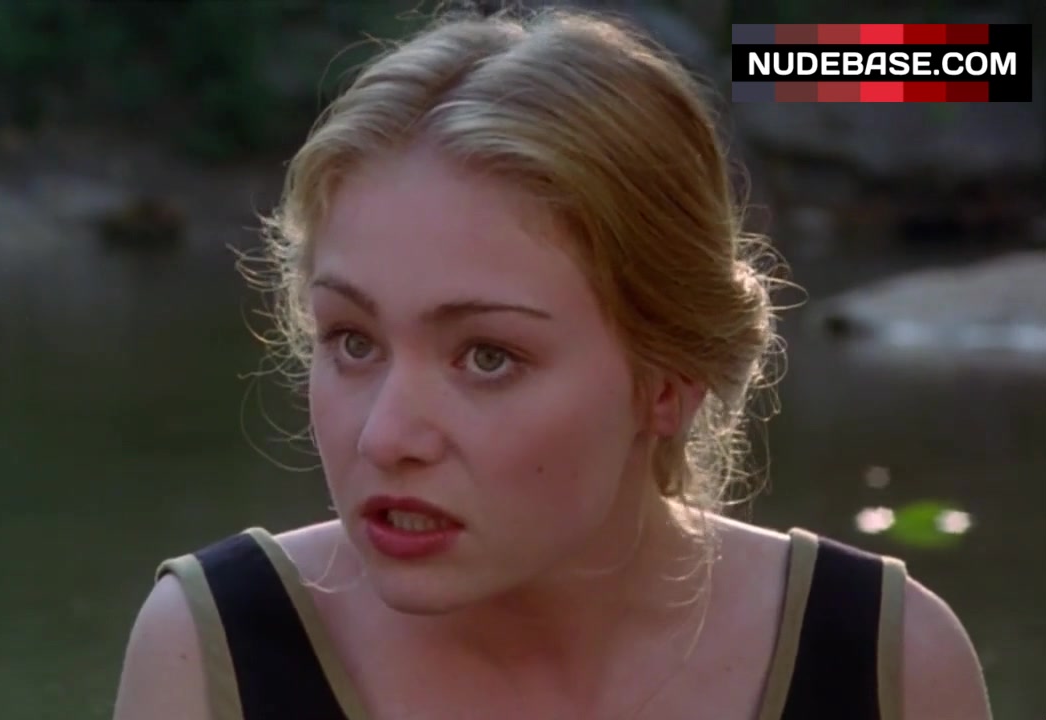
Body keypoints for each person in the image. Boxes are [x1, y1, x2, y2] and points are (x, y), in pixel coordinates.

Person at [113, 8, 992, 720]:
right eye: (353, 341)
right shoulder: (214, 652)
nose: (385, 437)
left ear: (668, 381)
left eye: (487, 356)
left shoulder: (887, 665)